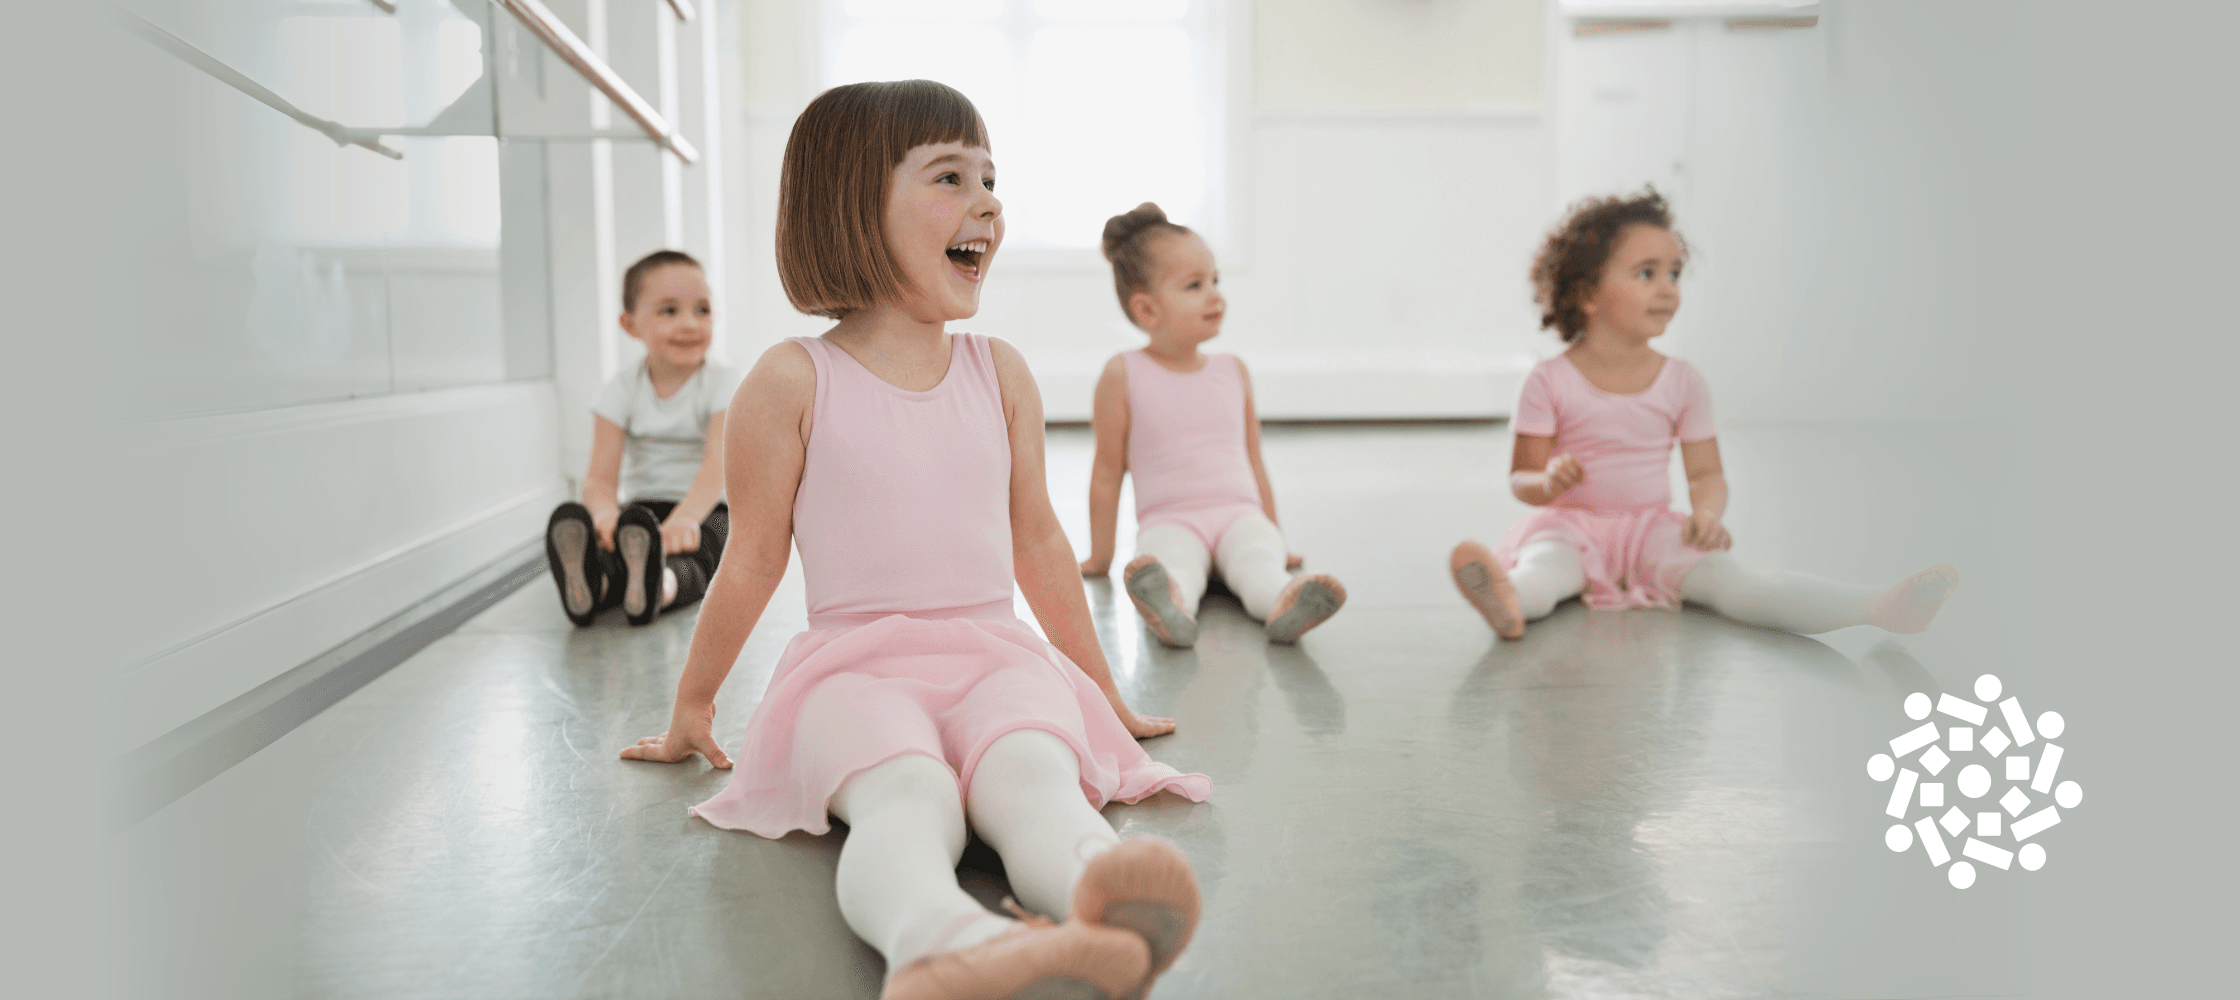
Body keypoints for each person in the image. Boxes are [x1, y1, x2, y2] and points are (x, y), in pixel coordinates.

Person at [616, 81, 1208, 1000]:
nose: (988, 203)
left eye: (990, 179)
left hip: (992, 652)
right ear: (853, 208)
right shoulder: (790, 379)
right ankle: (938, 939)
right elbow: (754, 559)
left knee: (1033, 773)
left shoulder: (999, 372)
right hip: (851, 669)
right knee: (907, 795)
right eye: (949, 177)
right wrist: (693, 705)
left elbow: (1040, 546)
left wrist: (1101, 692)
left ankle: (1101, 895)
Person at [1450, 188, 1959, 639]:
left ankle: (1878, 607)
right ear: (1586, 294)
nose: (1668, 288)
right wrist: (1550, 482)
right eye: (1646, 273)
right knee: (1545, 568)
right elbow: (1522, 478)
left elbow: (1706, 472)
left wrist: (1707, 516)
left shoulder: (1683, 381)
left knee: (1736, 586)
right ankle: (1508, 600)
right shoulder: (1548, 381)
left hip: (1654, 528)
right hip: (1571, 525)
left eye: (1674, 273)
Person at [1077, 203, 1346, 648]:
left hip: (1240, 512)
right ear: (1147, 310)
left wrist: (1277, 533)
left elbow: (1254, 460)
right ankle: (1170, 608)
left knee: (1258, 558)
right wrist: (1099, 557)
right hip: (1170, 518)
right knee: (1170, 562)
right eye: (1194, 285)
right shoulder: (1122, 373)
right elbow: (1107, 471)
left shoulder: (1232, 370)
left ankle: (1284, 602)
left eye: (1215, 280)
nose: (1215, 295)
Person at [544, 250, 740, 627]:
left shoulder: (722, 383)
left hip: (706, 507)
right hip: (642, 515)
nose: (690, 324)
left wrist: (686, 519)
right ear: (630, 324)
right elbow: (600, 477)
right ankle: (597, 582)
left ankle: (659, 586)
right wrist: (604, 515)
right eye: (669, 311)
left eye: (702, 310)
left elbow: (719, 465)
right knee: (622, 547)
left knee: (709, 549)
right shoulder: (621, 390)